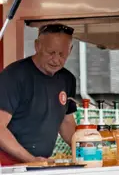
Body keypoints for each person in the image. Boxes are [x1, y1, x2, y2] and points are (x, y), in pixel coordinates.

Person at [0, 24, 78, 165]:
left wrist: (85, 148)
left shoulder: (68, 79)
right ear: (37, 46)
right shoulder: (13, 76)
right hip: (6, 164)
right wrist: (31, 160)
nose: (56, 60)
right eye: (51, 52)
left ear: (70, 50)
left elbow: (66, 122)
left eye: (62, 54)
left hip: (40, 162)